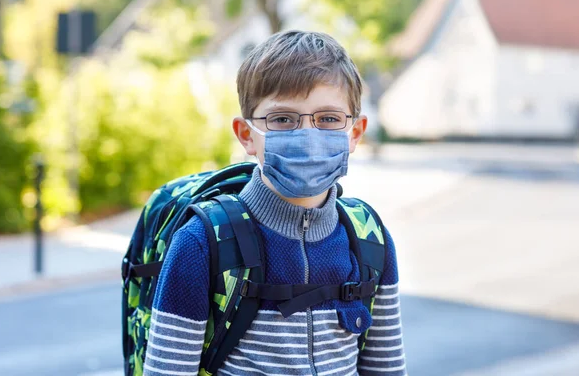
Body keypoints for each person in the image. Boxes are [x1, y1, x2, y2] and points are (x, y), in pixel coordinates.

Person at [142, 31, 406, 376]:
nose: (308, 136)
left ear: (355, 133)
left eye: (328, 119)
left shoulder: (371, 241)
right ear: (247, 135)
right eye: (283, 119)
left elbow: (388, 369)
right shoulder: (200, 245)